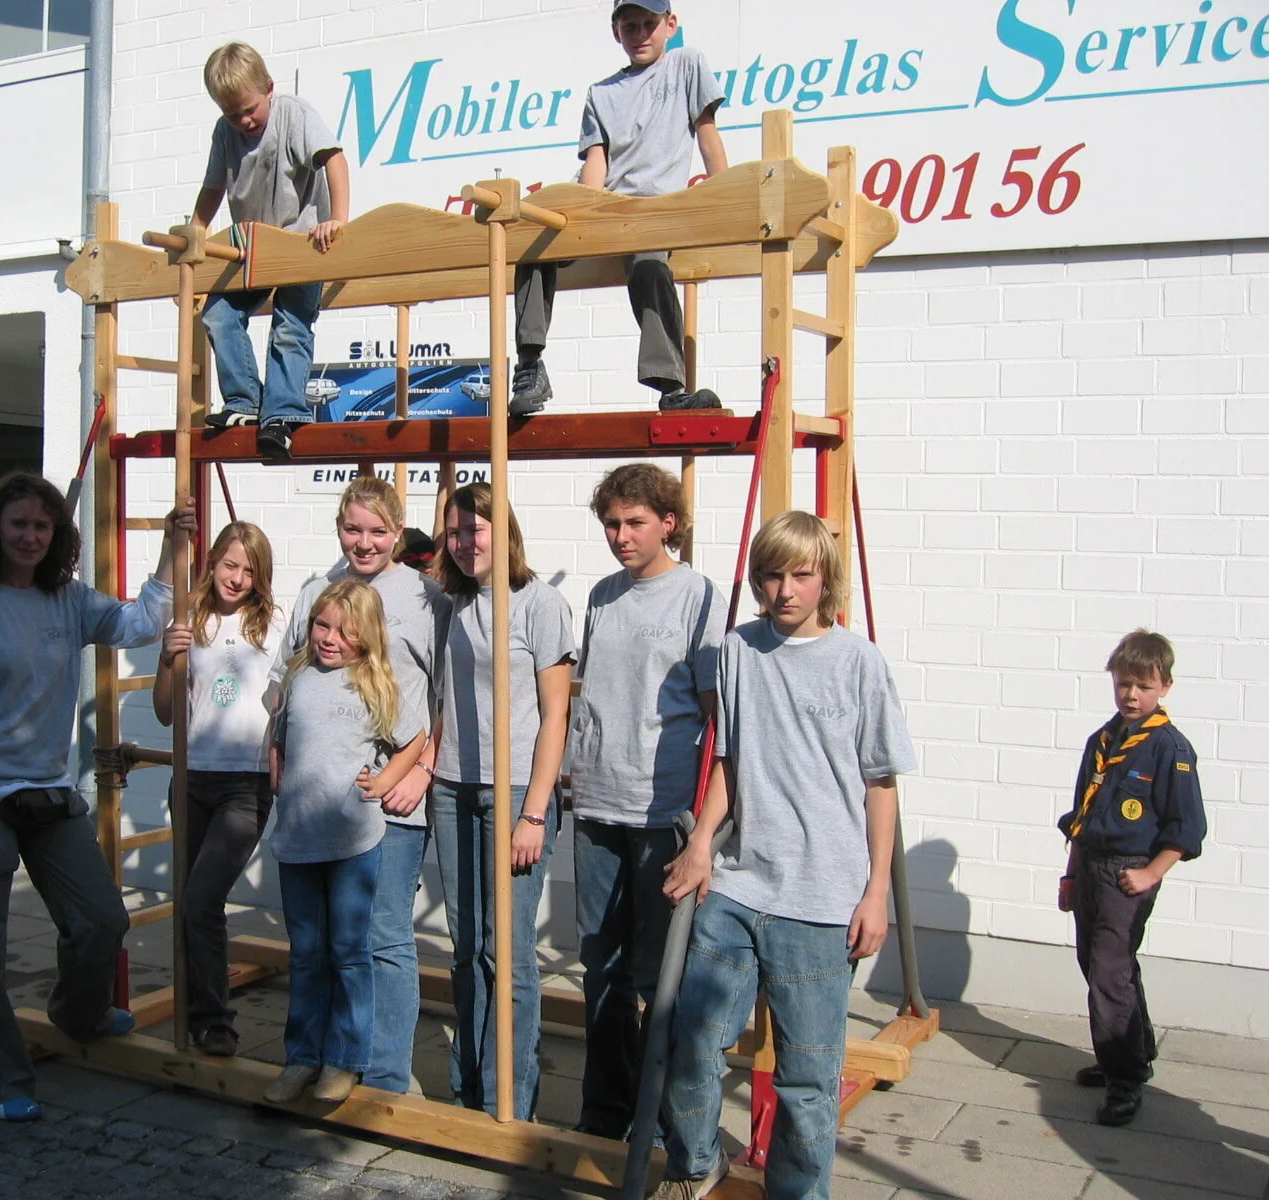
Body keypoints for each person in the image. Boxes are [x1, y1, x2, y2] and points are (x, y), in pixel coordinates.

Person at [0, 472, 191, 1122]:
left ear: (56, 534)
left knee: (101, 920)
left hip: (44, 793)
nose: (30, 536)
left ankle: (78, 1015)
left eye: (42, 526)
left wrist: (173, 548)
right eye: (19, 525)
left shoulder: (67, 599)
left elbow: (138, 623)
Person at [655, 511, 915, 1200]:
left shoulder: (859, 662)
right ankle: (694, 1168)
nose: (786, 590)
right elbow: (731, 762)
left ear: (824, 577)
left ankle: (799, 1194)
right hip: (740, 886)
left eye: (801, 575)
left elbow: (881, 785)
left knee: (807, 1078)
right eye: (771, 575)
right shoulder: (740, 651)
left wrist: (875, 893)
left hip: (822, 900)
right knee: (691, 1044)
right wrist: (703, 844)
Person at [567, 463, 724, 1138]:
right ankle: (606, 1111)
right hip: (598, 805)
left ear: (669, 523)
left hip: (663, 812)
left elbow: (719, 716)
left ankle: (666, 1127)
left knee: (659, 975)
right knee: (599, 965)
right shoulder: (602, 596)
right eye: (611, 524)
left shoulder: (700, 598)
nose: (621, 536)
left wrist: (704, 835)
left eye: (635, 523)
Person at [273, 477, 444, 1095]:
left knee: (382, 934)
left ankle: (383, 1074)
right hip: (325, 796)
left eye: (377, 531)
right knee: (327, 941)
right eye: (353, 529)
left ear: (398, 533)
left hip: (393, 791)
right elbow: (286, 679)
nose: (364, 542)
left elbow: (443, 700)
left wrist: (420, 772)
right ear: (338, 528)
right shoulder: (319, 592)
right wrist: (277, 747)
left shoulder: (427, 599)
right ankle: (325, 1057)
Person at [509, 0, 728, 417]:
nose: (641, 34)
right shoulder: (602, 92)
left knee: (649, 266)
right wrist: (584, 220)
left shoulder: (686, 65)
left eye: (650, 23)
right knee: (532, 243)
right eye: (630, 27)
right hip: (605, 203)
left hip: (651, 213)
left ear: (670, 24)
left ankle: (670, 388)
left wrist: (723, 202)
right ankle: (530, 365)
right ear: (616, 31)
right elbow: (597, 161)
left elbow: (707, 134)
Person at [432, 482, 575, 1121]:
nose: (466, 544)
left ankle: (511, 1100)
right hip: (452, 790)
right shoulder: (449, 603)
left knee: (508, 953)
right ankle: (471, 1088)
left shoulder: (539, 604)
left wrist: (535, 811)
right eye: (456, 532)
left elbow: (555, 715)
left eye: (477, 531)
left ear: (504, 532)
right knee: (465, 948)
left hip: (515, 791)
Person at [1056, 629, 1206, 1127]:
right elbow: (1081, 817)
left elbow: (1185, 828)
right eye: (1123, 684)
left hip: (1128, 874)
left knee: (1109, 969)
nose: (1130, 695)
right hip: (1092, 867)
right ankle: (1134, 1051)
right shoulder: (1102, 741)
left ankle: (1124, 1079)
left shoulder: (1170, 749)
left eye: (1142, 685)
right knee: (1097, 963)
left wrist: (1149, 875)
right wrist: (1072, 876)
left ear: (1165, 685)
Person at [153, 521, 285, 1058]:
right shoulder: (191, 618)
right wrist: (167, 659)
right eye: (230, 565)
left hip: (245, 782)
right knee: (191, 903)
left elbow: (289, 697)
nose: (238, 577)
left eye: (249, 569)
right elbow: (165, 714)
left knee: (202, 898)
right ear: (213, 563)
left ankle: (215, 1020)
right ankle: (197, 1012)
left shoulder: (274, 623)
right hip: (191, 778)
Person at [191, 40, 351, 461]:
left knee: (290, 325)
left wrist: (338, 219)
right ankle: (244, 402)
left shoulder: (292, 114)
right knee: (218, 313)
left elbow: (334, 159)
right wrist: (196, 232)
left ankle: (283, 411)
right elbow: (213, 188)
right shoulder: (226, 133)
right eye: (232, 114)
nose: (244, 120)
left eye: (250, 109)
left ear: (268, 88)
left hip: (302, 246)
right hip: (252, 251)